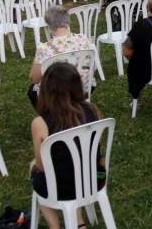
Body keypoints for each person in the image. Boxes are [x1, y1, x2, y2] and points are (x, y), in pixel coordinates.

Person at [29, 62, 105, 229]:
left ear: (47, 89)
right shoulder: (93, 110)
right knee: (72, 169)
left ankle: (54, 226)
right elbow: (96, 146)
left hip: (60, 187)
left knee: (34, 167)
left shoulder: (40, 123)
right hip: (93, 180)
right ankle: (78, 222)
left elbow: (42, 167)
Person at [27, 6, 94, 108]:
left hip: (57, 93)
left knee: (32, 90)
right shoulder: (83, 39)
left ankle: (50, 118)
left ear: (49, 25)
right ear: (68, 21)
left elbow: (34, 78)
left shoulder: (44, 48)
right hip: (84, 86)